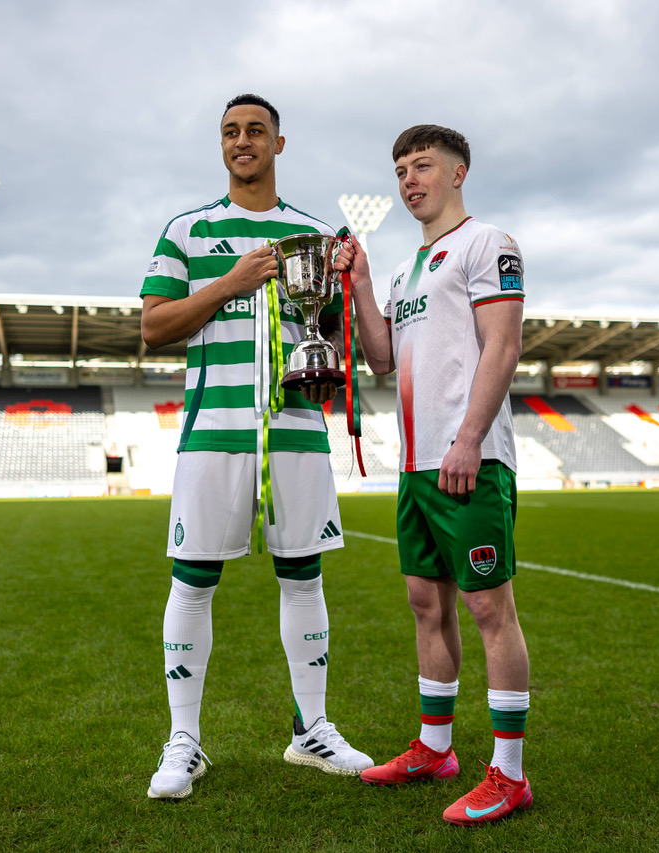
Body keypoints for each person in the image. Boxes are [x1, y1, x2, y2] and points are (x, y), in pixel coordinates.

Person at [139, 93, 372, 800]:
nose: (243, 141)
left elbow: (329, 330)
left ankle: (312, 729)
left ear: (278, 143)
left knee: (304, 576)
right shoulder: (186, 230)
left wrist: (345, 284)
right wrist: (233, 282)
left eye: (256, 131)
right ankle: (184, 740)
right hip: (213, 432)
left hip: (296, 428)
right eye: (231, 132)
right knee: (193, 579)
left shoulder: (313, 231)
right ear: (222, 146)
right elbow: (154, 325)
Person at [337, 125, 531, 825]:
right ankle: (435, 747)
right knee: (427, 604)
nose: (408, 179)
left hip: (469, 460)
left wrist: (470, 440)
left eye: (422, 165)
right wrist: (360, 281)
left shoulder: (489, 244)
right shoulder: (404, 270)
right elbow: (381, 358)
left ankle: (509, 774)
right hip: (416, 466)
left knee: (489, 607)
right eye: (400, 170)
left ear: (459, 172)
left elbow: (503, 346)